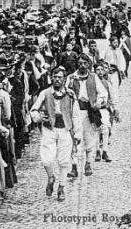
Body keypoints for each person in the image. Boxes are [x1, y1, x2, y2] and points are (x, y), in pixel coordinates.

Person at [30, 66, 82, 202]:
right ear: (51, 78)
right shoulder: (45, 93)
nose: (57, 79)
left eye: (60, 77)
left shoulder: (70, 95)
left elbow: (76, 115)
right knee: (46, 159)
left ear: (64, 79)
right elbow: (33, 110)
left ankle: (61, 187)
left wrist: (77, 134)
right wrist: (39, 117)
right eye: (55, 77)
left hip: (65, 129)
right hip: (49, 129)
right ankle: (51, 177)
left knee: (64, 161)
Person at [66, 53, 107, 178]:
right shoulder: (71, 77)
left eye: (85, 63)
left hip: (89, 112)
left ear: (88, 64)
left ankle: (88, 163)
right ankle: (74, 166)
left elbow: (103, 93)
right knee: (74, 138)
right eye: (80, 63)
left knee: (90, 137)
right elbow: (64, 92)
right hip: (75, 112)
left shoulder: (94, 77)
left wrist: (98, 102)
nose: (82, 66)